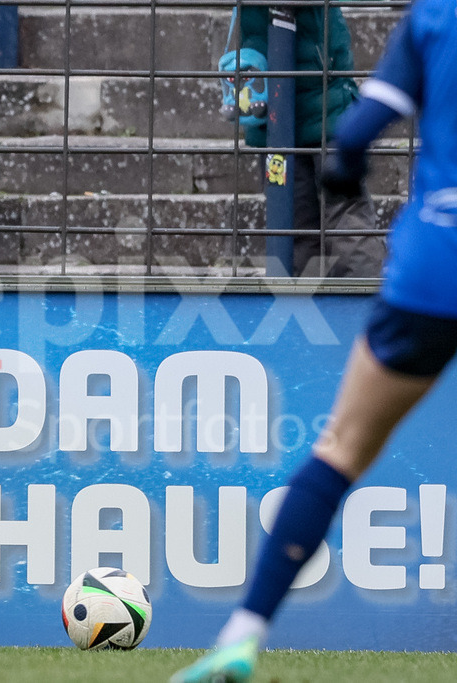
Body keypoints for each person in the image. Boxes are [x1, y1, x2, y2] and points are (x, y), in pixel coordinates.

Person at [173, 1, 457, 679]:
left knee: (340, 448)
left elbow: (354, 137)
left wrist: (343, 175)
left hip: (436, 265)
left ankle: (243, 632)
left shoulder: (435, 19)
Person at [236, 4, 386, 277]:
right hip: (315, 104)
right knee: (343, 218)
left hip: (281, 108)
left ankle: (304, 308)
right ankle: (359, 301)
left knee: (296, 224)